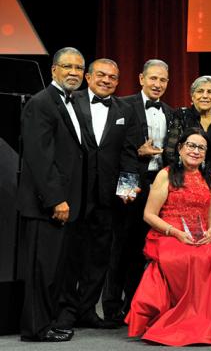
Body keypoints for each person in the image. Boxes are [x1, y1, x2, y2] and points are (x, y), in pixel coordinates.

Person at [126, 129, 211, 345]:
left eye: (201, 147)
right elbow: (149, 214)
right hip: (168, 234)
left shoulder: (210, 177)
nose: (195, 151)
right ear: (180, 148)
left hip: (199, 235)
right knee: (186, 258)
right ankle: (181, 319)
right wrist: (175, 232)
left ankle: (206, 320)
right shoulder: (165, 174)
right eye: (191, 145)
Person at [57, 59, 138, 331]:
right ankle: (66, 310)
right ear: (88, 77)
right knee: (70, 254)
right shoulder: (70, 101)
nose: (106, 80)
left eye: (112, 77)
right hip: (74, 193)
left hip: (108, 197)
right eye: (101, 75)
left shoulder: (125, 109)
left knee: (99, 256)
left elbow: (129, 153)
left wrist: (127, 188)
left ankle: (87, 310)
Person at [17, 47, 86, 342]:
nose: (74, 72)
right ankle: (36, 328)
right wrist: (56, 198)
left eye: (79, 68)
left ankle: (49, 321)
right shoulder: (41, 103)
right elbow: (39, 157)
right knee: (41, 270)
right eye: (68, 66)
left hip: (66, 204)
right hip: (48, 205)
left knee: (55, 270)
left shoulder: (69, 102)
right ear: (53, 70)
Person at [104, 59, 173, 323]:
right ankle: (111, 307)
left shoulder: (169, 111)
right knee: (120, 245)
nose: (157, 84)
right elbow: (110, 147)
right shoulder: (122, 104)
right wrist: (138, 152)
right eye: (153, 78)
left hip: (159, 185)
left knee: (145, 247)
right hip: (129, 180)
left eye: (163, 80)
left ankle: (134, 306)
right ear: (141, 79)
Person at [163, 76, 211, 260]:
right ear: (192, 96)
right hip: (186, 185)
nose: (205, 95)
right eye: (200, 91)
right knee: (189, 239)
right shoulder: (180, 115)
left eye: (210, 92)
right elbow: (170, 152)